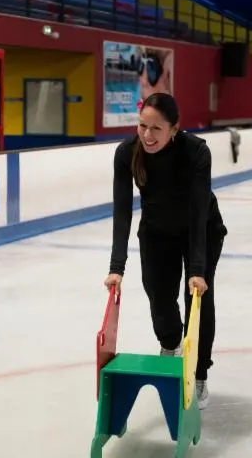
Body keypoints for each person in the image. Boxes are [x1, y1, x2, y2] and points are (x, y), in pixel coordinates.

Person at [104, 92, 227, 410]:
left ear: (175, 128)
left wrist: (197, 270)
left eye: (156, 128)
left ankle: (199, 374)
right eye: (142, 125)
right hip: (158, 231)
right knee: (159, 296)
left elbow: (199, 211)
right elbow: (122, 210)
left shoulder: (196, 152)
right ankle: (171, 343)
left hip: (201, 230)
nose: (147, 135)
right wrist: (117, 265)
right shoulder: (127, 153)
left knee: (197, 299)